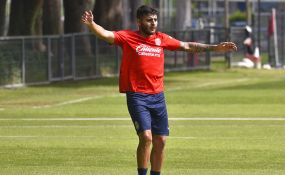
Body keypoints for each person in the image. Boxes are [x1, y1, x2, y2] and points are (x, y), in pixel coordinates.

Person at [81, 5, 236, 175]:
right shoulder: (128, 37)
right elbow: (106, 34)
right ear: (139, 21)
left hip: (158, 97)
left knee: (161, 140)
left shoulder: (161, 38)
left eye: (155, 20)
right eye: (149, 20)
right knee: (146, 137)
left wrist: (215, 48)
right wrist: (91, 25)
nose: (153, 23)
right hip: (137, 96)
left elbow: (187, 45)